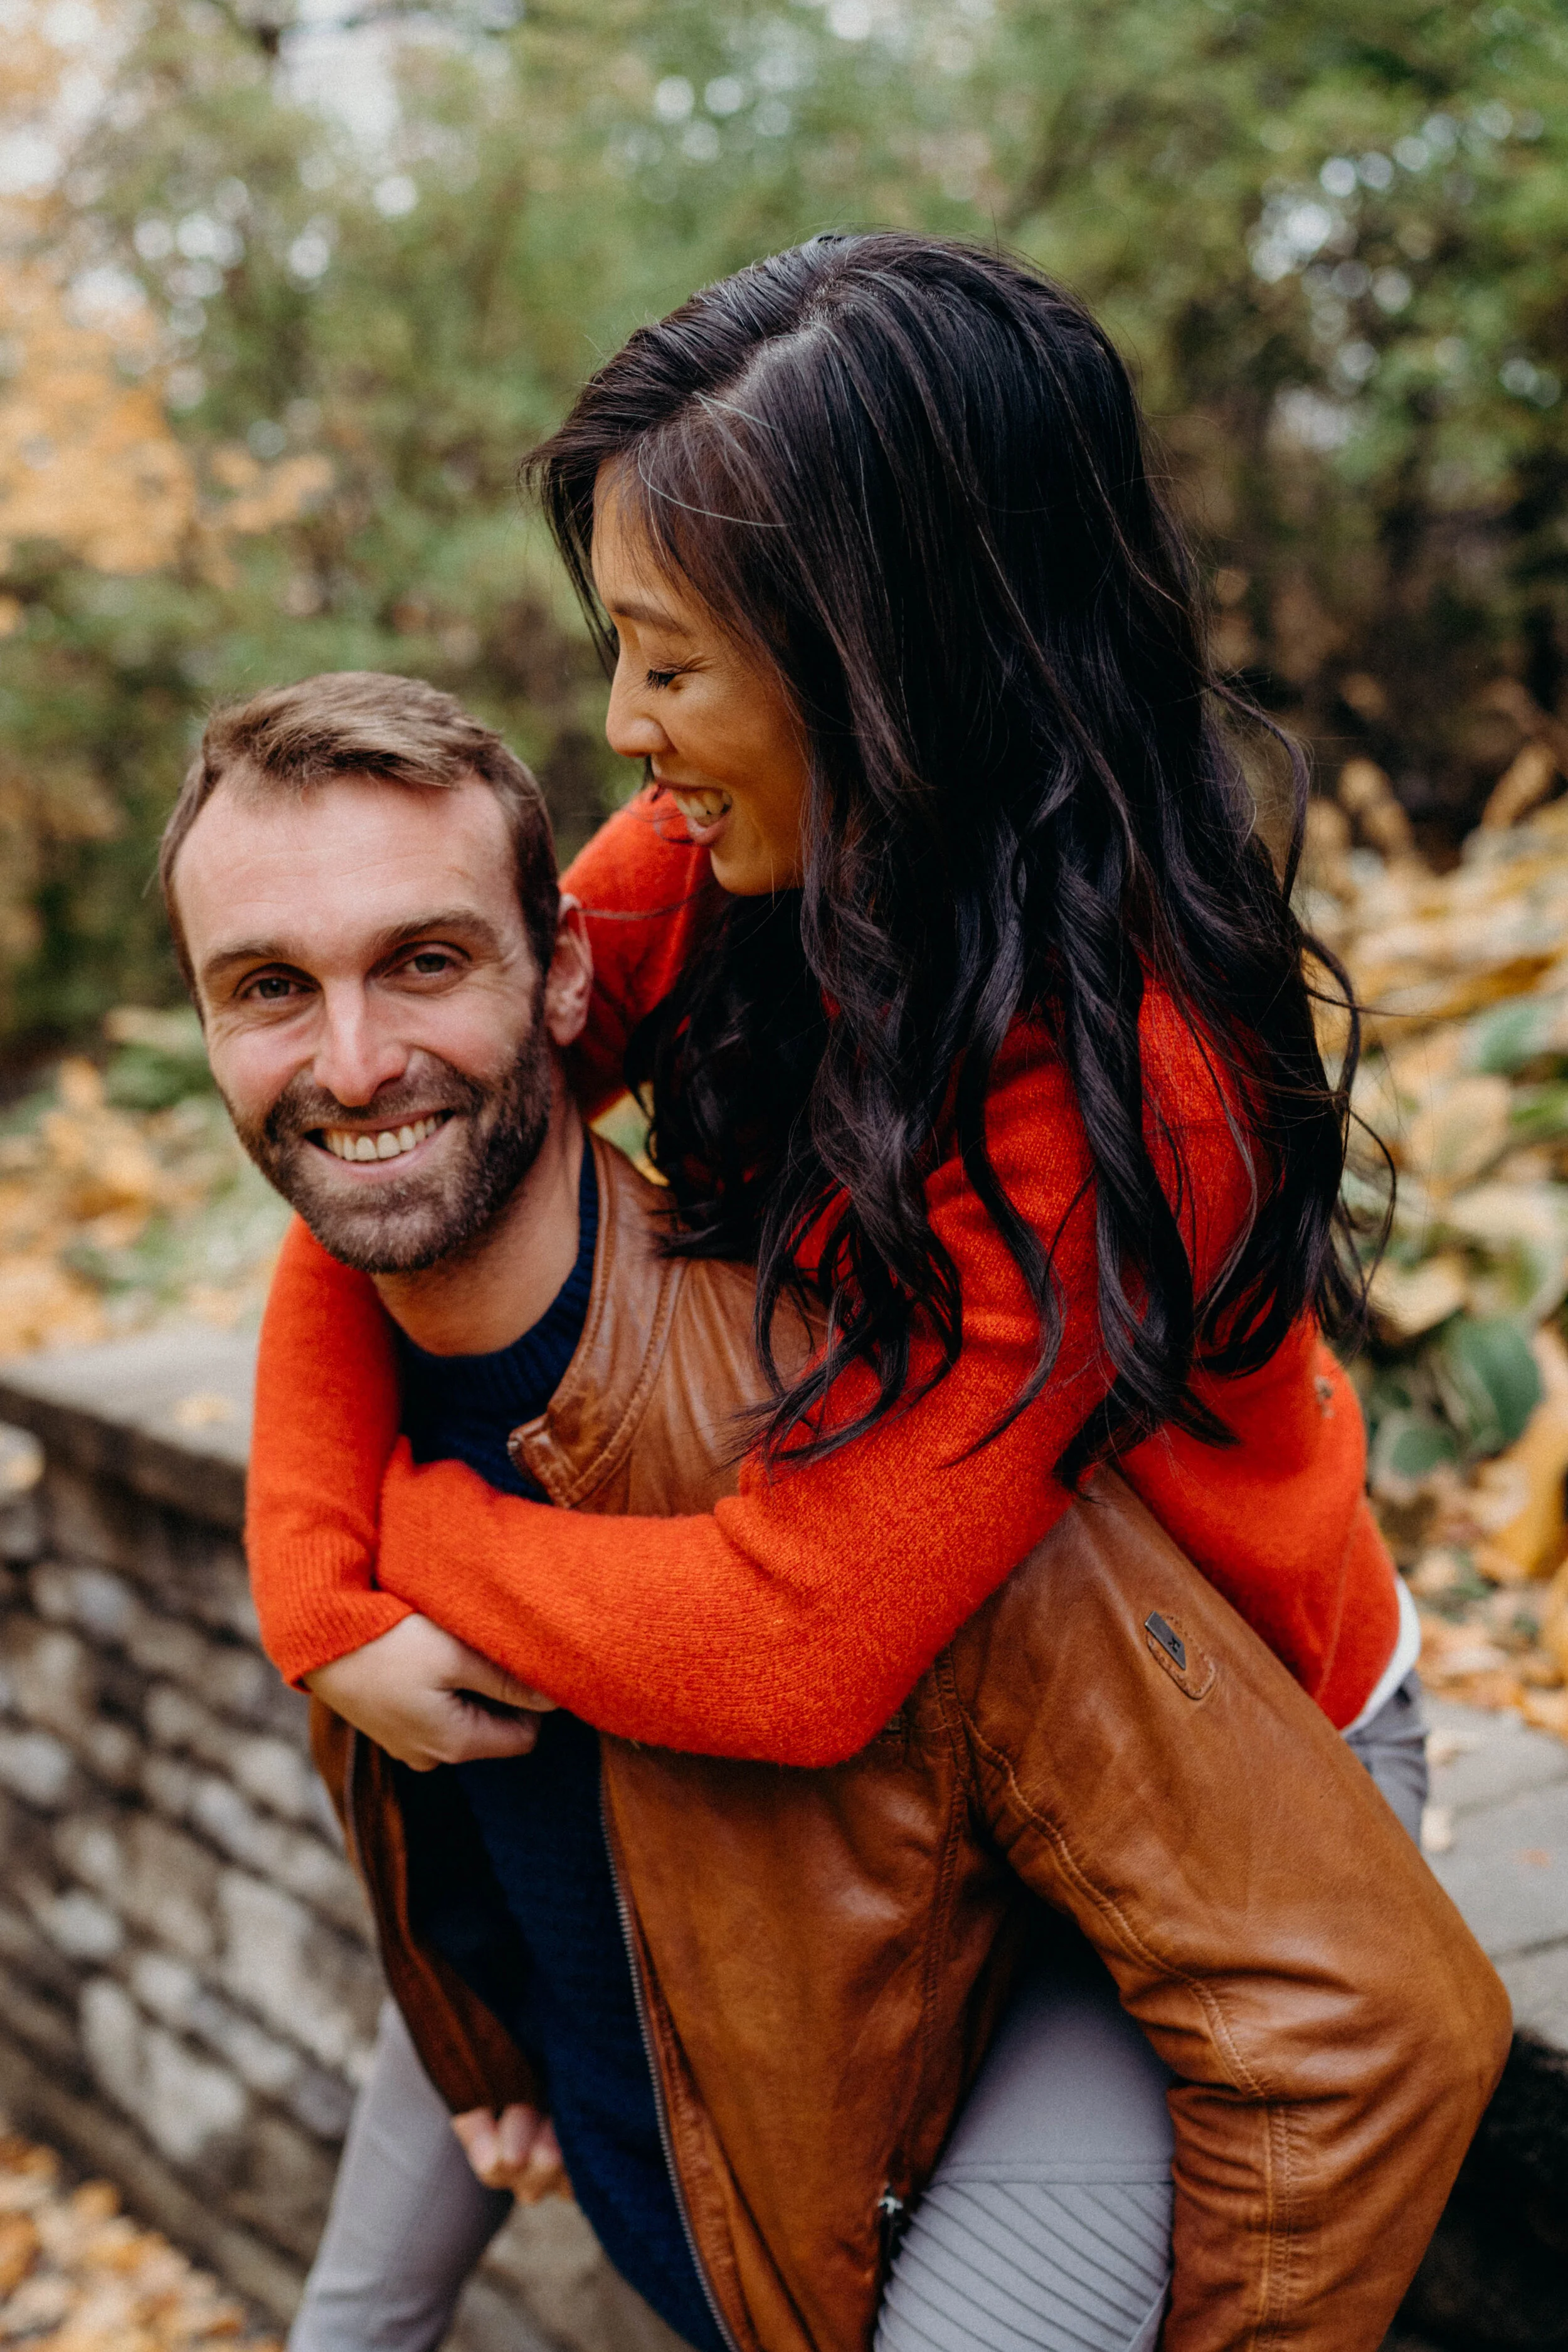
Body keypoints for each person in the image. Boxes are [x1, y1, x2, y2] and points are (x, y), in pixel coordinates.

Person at [161, 671, 1506, 2352]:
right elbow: (369, 1136)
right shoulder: (669, 879)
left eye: (671, 654)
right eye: (269, 988)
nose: (628, 715)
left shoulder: (1040, 1174)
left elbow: (804, 1642)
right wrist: (465, 2018)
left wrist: (402, 1542)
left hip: (1239, 1664)